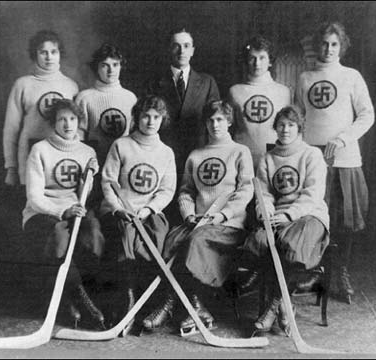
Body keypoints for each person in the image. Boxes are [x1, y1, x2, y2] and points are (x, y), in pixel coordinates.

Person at [141, 100, 254, 335]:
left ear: (229, 122)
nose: (215, 124)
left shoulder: (240, 152)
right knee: (171, 240)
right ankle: (195, 305)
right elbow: (186, 191)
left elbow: (246, 190)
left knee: (196, 241)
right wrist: (189, 214)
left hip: (228, 225)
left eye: (220, 119)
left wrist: (223, 215)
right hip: (198, 221)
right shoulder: (196, 155)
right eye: (211, 120)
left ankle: (174, 304)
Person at [295, 22, 374, 303]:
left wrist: (342, 139)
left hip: (345, 159)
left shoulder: (352, 76)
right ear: (317, 46)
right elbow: (299, 119)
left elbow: (367, 115)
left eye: (334, 44)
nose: (328, 49)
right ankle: (318, 270)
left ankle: (340, 271)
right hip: (313, 160)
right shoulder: (305, 78)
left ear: (342, 47)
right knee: (315, 216)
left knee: (344, 220)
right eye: (324, 44)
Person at [242, 105, 330, 335]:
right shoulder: (268, 158)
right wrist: (268, 213)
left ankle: (273, 307)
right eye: (281, 125)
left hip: (308, 215)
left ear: (299, 127)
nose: (285, 130)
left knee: (291, 246)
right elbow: (264, 194)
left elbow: (313, 194)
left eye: (291, 125)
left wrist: (289, 215)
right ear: (275, 128)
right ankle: (284, 307)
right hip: (278, 218)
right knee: (260, 242)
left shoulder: (312, 155)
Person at [23, 99, 106, 330]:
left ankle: (83, 296)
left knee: (93, 232)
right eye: (61, 119)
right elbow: (34, 197)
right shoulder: (39, 150)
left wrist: (88, 179)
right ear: (53, 123)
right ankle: (74, 300)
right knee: (60, 237)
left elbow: (83, 196)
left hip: (76, 208)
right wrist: (62, 211)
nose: (68, 124)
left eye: (72, 119)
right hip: (43, 211)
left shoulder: (87, 151)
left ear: (78, 121)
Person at [99, 95, 176, 332]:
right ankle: (127, 296)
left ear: (163, 120)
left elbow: (167, 190)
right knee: (124, 237)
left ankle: (149, 301)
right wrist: (119, 208)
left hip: (148, 211)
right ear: (137, 117)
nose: (150, 121)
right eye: (145, 116)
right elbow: (108, 182)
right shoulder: (121, 145)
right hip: (121, 209)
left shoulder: (166, 152)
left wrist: (148, 209)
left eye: (156, 117)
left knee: (159, 236)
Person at [147, 28, 220, 224]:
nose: (181, 51)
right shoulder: (154, 82)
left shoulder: (206, 82)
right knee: (165, 208)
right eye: (176, 46)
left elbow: (216, 119)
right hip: (163, 155)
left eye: (186, 46)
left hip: (197, 154)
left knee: (192, 207)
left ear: (193, 50)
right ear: (169, 49)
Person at [3, 30, 79, 189]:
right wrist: (11, 167)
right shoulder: (22, 85)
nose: (49, 57)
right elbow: (11, 129)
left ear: (60, 54)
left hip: (61, 158)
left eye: (53, 52)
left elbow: (77, 128)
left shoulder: (71, 86)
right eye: (43, 52)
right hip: (28, 155)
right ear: (35, 55)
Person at [228, 35, 292, 169]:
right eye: (252, 58)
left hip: (274, 156)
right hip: (242, 155)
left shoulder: (283, 91)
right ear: (247, 60)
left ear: (270, 61)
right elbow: (230, 127)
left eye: (262, 58)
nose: (257, 63)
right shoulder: (235, 91)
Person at [76, 43, 137, 167]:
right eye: (104, 65)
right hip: (93, 163)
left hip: (123, 163)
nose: (111, 70)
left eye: (115, 65)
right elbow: (78, 136)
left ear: (121, 66)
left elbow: (135, 136)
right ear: (96, 68)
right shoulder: (84, 98)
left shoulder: (130, 98)